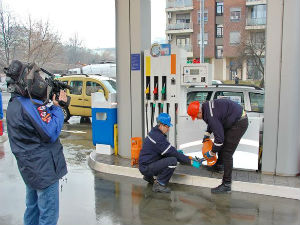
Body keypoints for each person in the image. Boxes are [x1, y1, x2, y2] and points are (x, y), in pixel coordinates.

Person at [6, 61, 67, 225]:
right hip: (43, 170)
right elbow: (50, 132)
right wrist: (58, 107)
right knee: (49, 215)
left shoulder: (15, 103)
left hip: (30, 168)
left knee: (32, 209)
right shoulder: (27, 106)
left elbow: (35, 125)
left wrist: (48, 106)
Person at [187, 99, 248, 193]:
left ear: (199, 111)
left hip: (239, 123)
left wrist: (211, 152)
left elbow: (219, 140)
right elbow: (213, 122)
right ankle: (219, 166)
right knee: (220, 145)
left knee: (227, 153)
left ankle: (226, 184)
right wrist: (207, 134)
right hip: (233, 119)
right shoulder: (205, 107)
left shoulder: (210, 115)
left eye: (196, 116)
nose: (197, 118)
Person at [139, 113, 201, 193]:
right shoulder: (158, 137)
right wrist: (191, 162)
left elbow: (166, 150)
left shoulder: (155, 132)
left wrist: (180, 154)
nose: (168, 129)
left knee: (170, 155)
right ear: (161, 125)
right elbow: (173, 153)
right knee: (172, 161)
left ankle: (148, 177)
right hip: (146, 167)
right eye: (167, 126)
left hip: (145, 164)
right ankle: (159, 185)